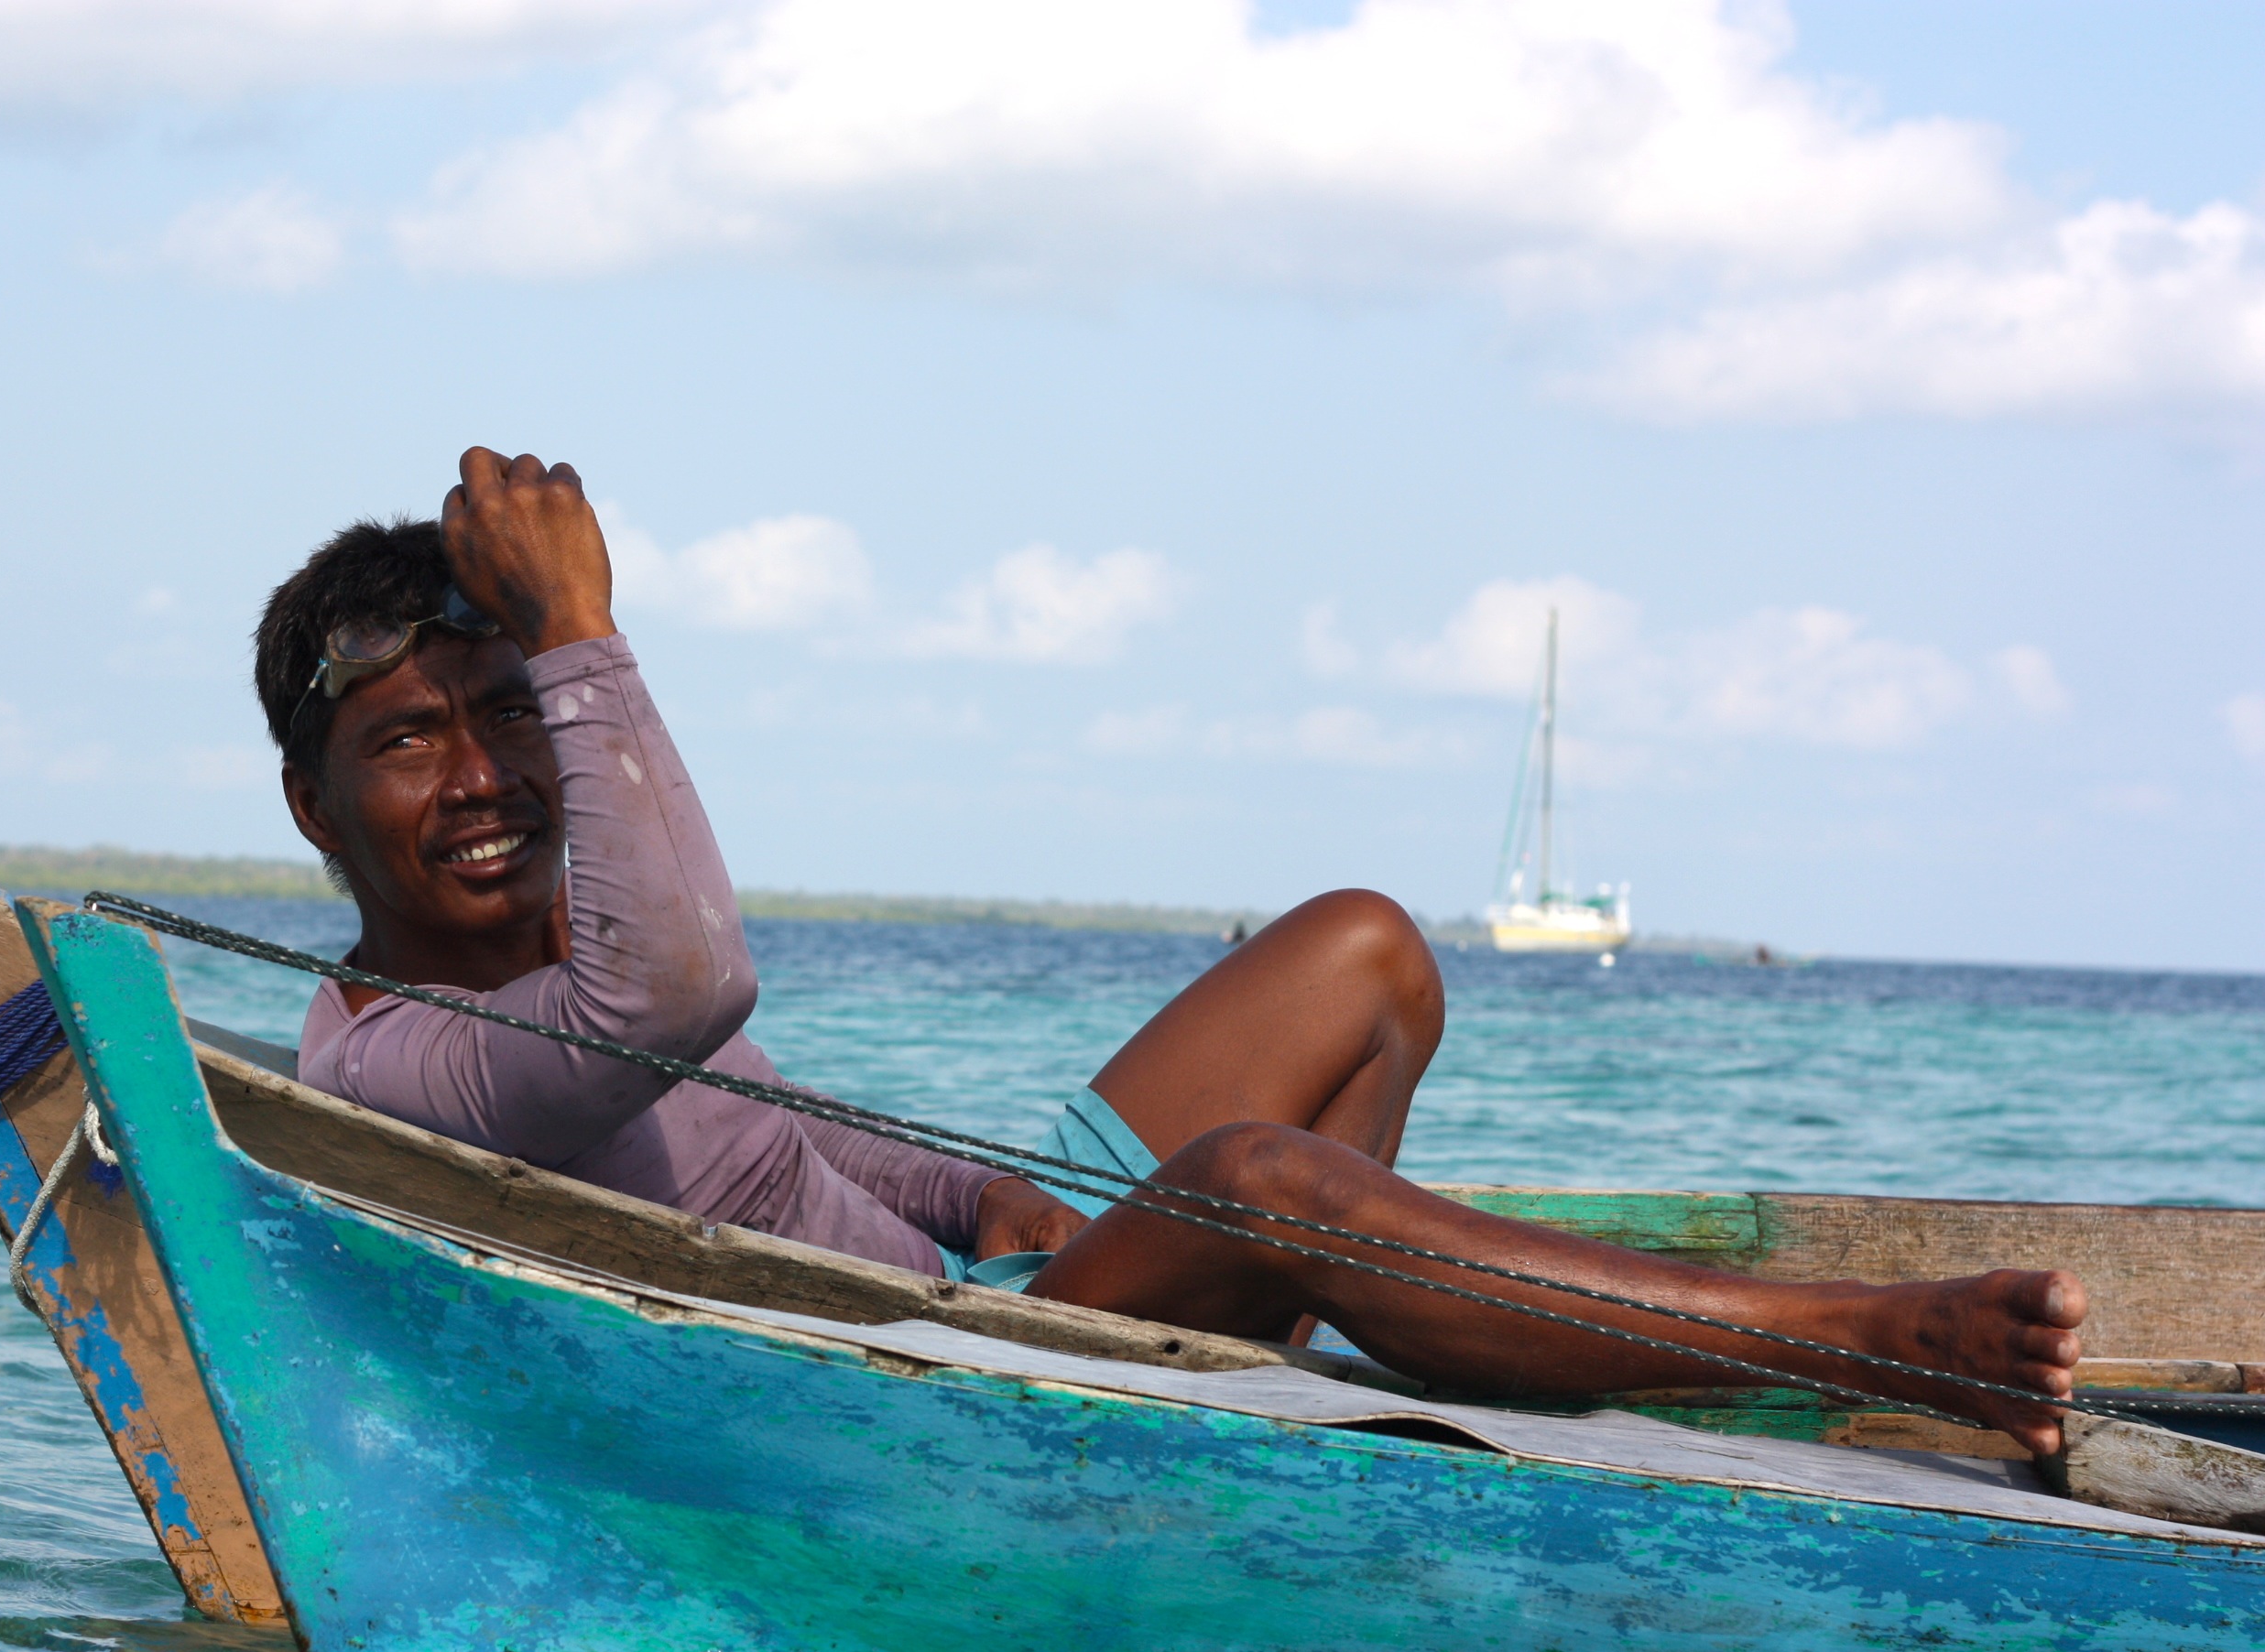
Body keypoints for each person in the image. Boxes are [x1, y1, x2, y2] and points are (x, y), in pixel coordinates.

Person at [257, 448, 2086, 1455]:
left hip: (1004, 1294)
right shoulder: (393, 1060)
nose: (489, 776)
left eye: (511, 717)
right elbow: (678, 994)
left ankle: (1279, 1407)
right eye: (411, 740)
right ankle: (1875, 1341)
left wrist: (988, 1200)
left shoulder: (539, 987)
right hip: (921, 1393)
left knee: (1363, 948)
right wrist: (577, 624)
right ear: (311, 809)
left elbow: (769, 1116)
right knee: (1257, 1181)